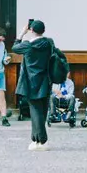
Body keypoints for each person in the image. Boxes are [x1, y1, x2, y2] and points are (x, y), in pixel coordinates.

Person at [13, 19, 63, 150]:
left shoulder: (27, 45)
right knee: (42, 110)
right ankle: (36, 140)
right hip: (46, 80)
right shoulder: (49, 43)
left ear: (32, 30)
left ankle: (42, 141)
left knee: (35, 111)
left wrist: (21, 34)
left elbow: (14, 48)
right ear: (44, 31)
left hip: (31, 82)